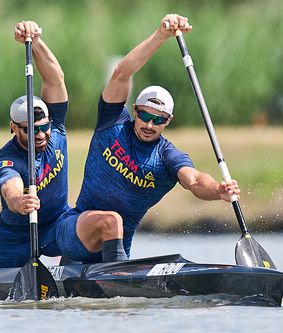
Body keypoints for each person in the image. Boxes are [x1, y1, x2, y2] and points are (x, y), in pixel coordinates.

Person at [55, 14, 241, 264]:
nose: (150, 125)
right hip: (73, 230)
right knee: (112, 220)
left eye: (159, 120)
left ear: (169, 121)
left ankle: (107, 280)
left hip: (115, 249)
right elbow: (122, 73)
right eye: (145, 115)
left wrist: (218, 190)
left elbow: (195, 180)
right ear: (135, 110)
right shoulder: (113, 121)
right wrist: (161, 35)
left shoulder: (167, 156)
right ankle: (116, 277)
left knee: (114, 231)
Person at [0, 20, 69, 268]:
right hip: (16, 236)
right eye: (30, 130)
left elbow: (55, 80)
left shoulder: (56, 127)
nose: (41, 134)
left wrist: (34, 41)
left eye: (44, 127)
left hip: (57, 223)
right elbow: (10, 188)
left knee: (90, 227)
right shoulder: (6, 159)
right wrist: (19, 203)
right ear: (13, 127)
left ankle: (82, 273)